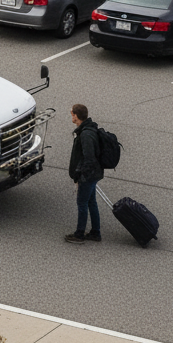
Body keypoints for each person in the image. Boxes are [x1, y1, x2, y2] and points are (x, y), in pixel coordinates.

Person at [66, 103, 103, 243]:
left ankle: (79, 234)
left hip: (88, 176)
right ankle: (95, 232)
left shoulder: (85, 134)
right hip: (94, 174)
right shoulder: (89, 129)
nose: (71, 116)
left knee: (82, 203)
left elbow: (88, 158)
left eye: (72, 114)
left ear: (76, 116)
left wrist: (80, 175)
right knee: (91, 202)